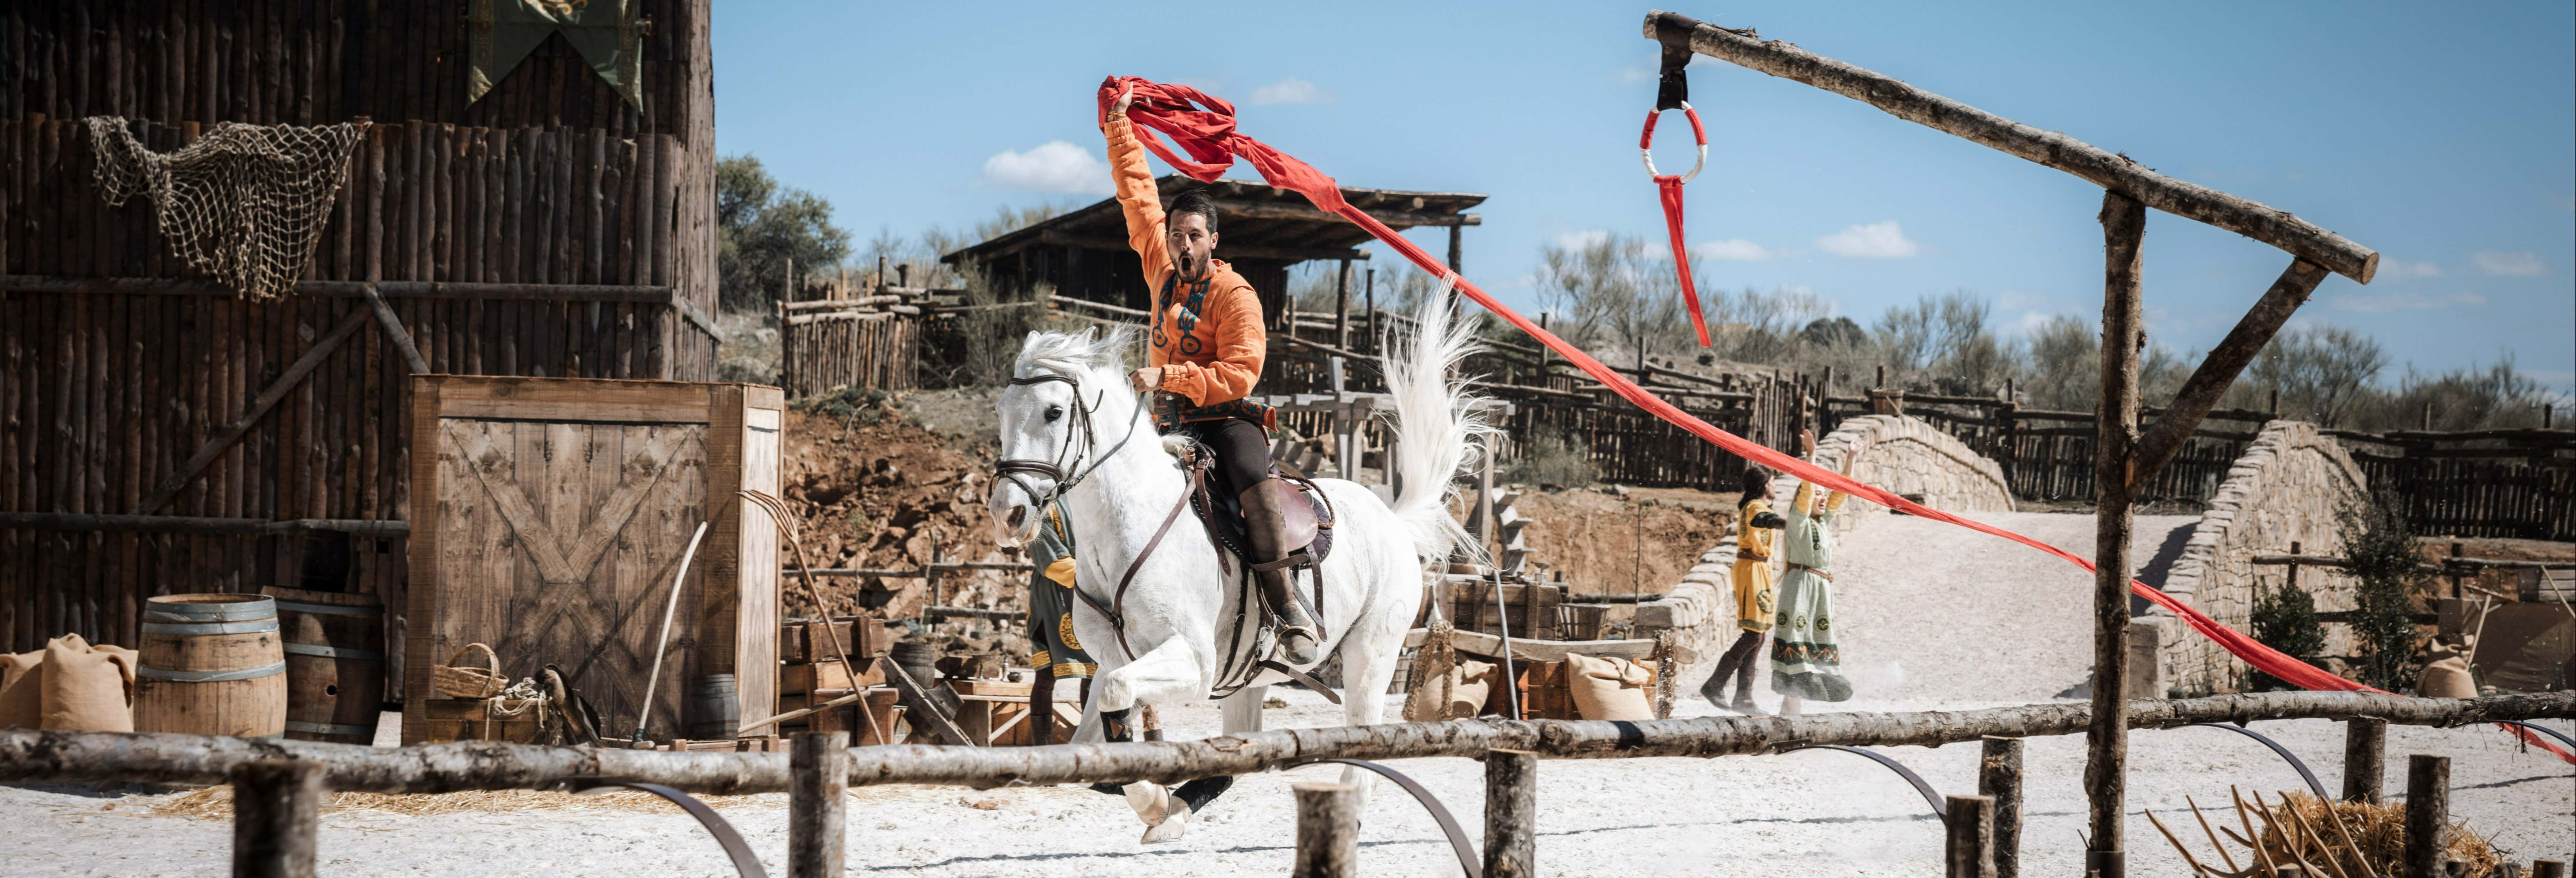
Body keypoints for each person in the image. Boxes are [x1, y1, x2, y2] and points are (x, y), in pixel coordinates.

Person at [1102, 86, 1320, 664]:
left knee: (1252, 472)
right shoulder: (1159, 266)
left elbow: (1241, 373)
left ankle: (1285, 601)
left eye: (1194, 236)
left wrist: (1169, 376)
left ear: (1213, 241)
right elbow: (1136, 192)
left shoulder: (1235, 293)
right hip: (1166, 421)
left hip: (1223, 418)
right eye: (1176, 235)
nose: (1182, 244)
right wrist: (1119, 125)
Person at [1771, 427, 1863, 715]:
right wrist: (1811, 456)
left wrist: (1851, 457)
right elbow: (1808, 488)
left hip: (1820, 588)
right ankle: (1793, 707)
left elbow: (1842, 492)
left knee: (1818, 635)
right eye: (1818, 494)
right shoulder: (1798, 521)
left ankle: (1794, 707)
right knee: (1797, 636)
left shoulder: (1821, 523)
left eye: (1824, 494)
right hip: (1801, 587)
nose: (1823, 498)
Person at [1700, 465, 1784, 714]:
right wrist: (1789, 524)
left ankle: (1744, 697)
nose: (1775, 486)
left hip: (1760, 569)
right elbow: (1765, 520)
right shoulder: (1754, 507)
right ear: (1764, 486)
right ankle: (1715, 684)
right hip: (1751, 569)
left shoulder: (1759, 506)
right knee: (1752, 634)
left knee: (1759, 635)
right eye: (1772, 481)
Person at [1023, 498, 1095, 745]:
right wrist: (1101, 577)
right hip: (1055, 594)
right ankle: (1044, 755)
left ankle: (1090, 750)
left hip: (1094, 595)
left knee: (1095, 673)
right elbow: (1052, 562)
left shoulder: (1089, 498)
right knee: (1046, 675)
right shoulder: (1041, 508)